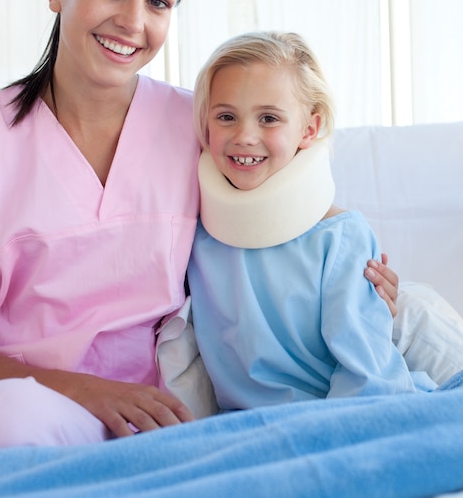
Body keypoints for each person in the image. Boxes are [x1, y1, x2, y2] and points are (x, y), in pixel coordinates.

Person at [0, 0, 409, 473]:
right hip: (7, 416)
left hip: (154, 420)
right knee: (9, 426)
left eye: (158, 1)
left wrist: (357, 272)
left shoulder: (200, 126)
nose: (133, 21)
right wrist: (84, 391)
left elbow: (280, 216)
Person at [187, 31, 439, 411]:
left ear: (309, 128)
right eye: (226, 116)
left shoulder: (342, 239)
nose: (244, 136)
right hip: (245, 430)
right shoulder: (195, 238)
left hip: (349, 417)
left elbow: (366, 377)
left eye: (268, 118)